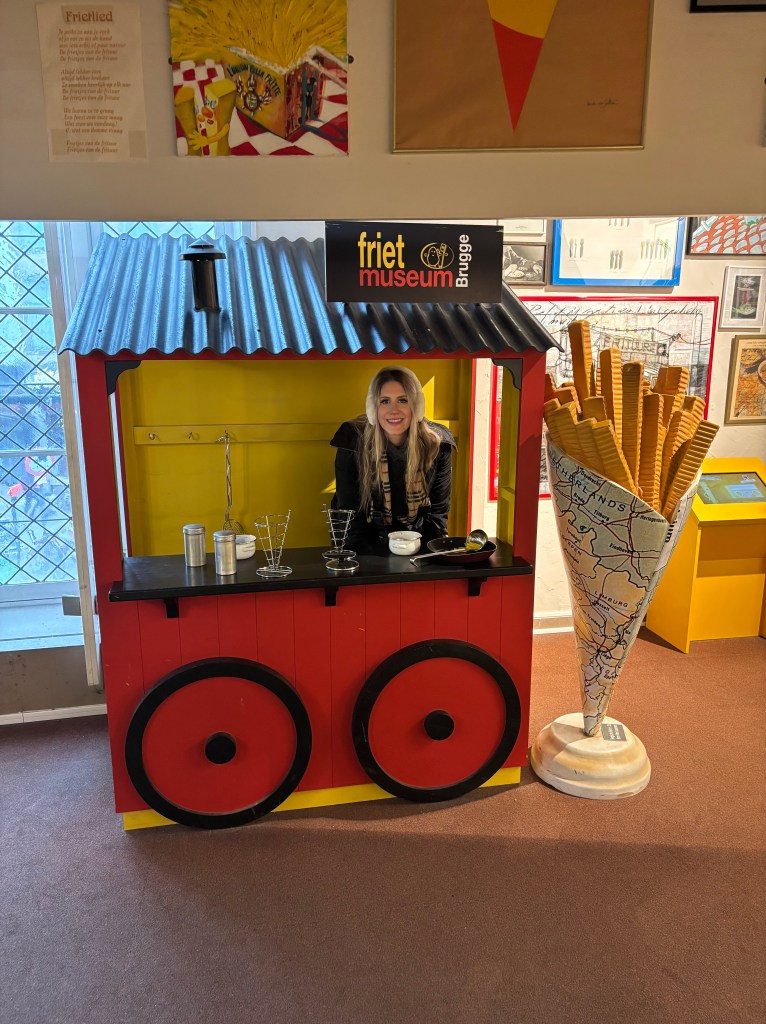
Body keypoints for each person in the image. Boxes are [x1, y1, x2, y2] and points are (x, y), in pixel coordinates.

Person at [330, 366, 456, 552]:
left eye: (403, 400)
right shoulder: (352, 439)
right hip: (362, 536)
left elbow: (438, 513)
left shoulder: (437, 444)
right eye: (385, 401)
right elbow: (350, 512)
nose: (393, 410)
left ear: (416, 406)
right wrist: (366, 560)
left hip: (416, 537)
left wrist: (430, 554)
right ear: (373, 407)